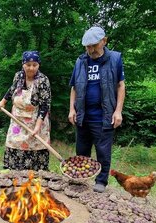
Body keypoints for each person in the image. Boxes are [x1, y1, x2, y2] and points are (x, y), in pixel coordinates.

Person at [68, 26, 125, 193]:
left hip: (104, 115)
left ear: (104, 41)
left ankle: (101, 181)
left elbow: (120, 85)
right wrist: (72, 109)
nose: (90, 50)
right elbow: (74, 88)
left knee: (103, 151)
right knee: (82, 151)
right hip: (83, 115)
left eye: (94, 45)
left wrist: (118, 111)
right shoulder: (80, 61)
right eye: (87, 46)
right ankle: (80, 179)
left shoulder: (114, 59)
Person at [0, 51, 52, 171]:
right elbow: (11, 90)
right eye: (28, 64)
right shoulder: (18, 76)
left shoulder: (43, 80)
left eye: (34, 65)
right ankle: (13, 177)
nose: (31, 68)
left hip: (36, 121)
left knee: (35, 149)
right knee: (13, 143)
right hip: (18, 119)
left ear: (39, 65)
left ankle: (35, 180)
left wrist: (37, 127)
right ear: (23, 64)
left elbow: (45, 105)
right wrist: (2, 102)